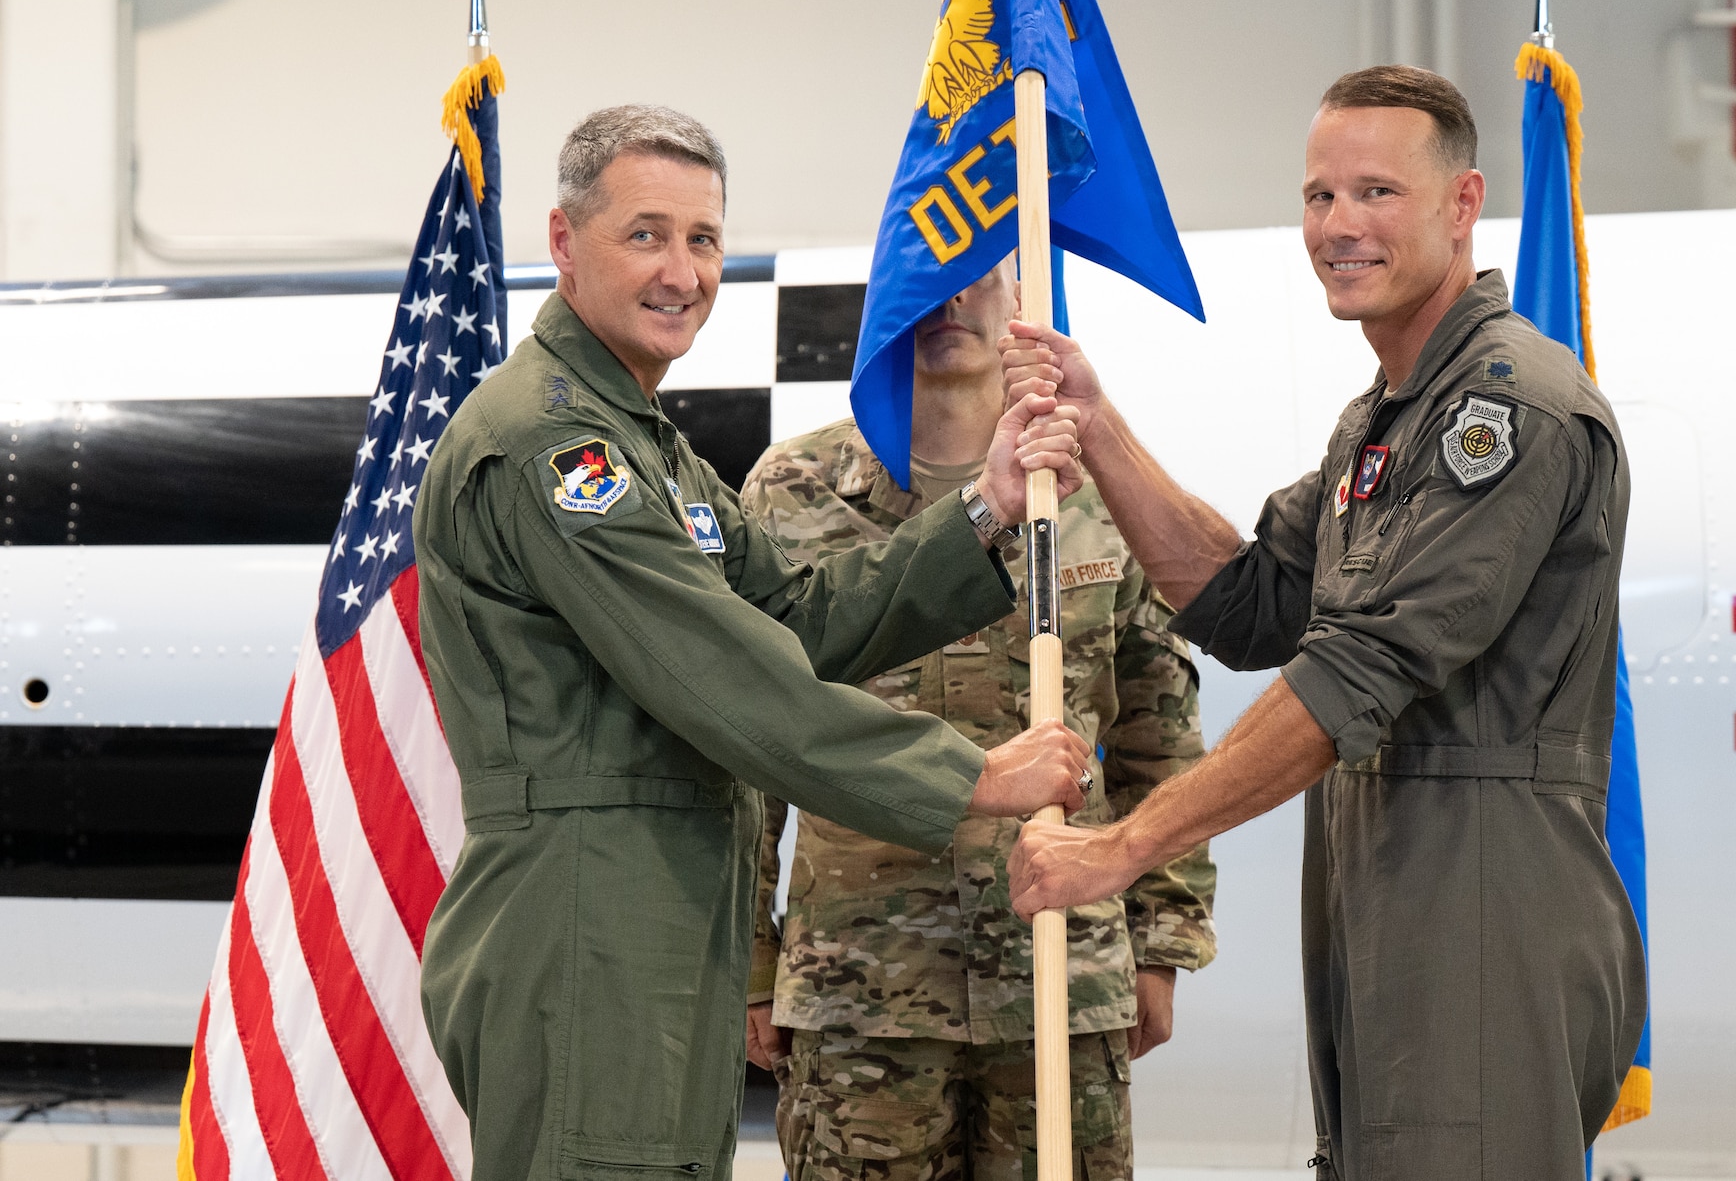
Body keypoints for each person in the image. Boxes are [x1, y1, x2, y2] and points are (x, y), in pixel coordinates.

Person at [412, 105, 1095, 1181]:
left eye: (702, 238)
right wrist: (966, 775)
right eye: (645, 233)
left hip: (657, 908)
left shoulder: (646, 444)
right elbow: (725, 675)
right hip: (586, 911)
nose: (680, 270)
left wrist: (983, 510)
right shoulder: (554, 443)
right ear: (561, 241)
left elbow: (795, 619)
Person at [1002, 66, 1646, 1181]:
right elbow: (1247, 601)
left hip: (1483, 899)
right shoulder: (1386, 420)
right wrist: (1095, 427)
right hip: (1387, 888)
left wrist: (1120, 847)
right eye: (1317, 197)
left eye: (1374, 193)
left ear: (1460, 203)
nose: (1338, 226)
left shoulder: (1505, 410)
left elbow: (1352, 673)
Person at [738, 256, 1216, 1181]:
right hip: (859, 992)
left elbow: (1161, 738)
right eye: (927, 267)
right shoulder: (788, 490)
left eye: (975, 270)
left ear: (1022, 297)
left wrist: (1161, 940)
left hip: (1059, 978)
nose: (947, 296)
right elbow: (751, 746)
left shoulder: (1097, 486)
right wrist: (751, 962)